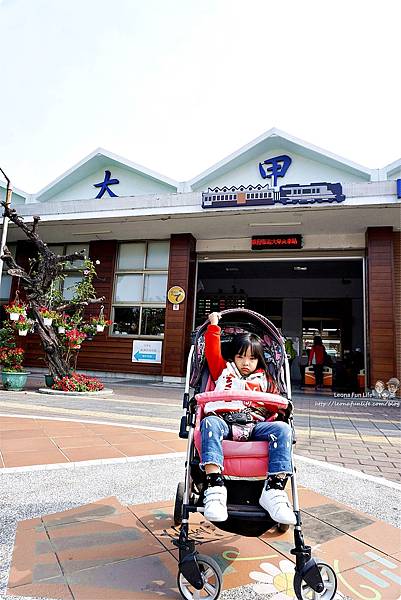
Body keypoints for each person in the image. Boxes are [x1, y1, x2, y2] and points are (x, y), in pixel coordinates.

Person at [200, 312, 296, 525]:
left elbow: (276, 404)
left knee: (283, 430)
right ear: (233, 357)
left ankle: (274, 489)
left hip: (255, 425)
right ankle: (215, 485)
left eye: (252, 358)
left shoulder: (265, 379)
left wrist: (281, 406)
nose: (246, 362)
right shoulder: (222, 370)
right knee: (208, 423)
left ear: (259, 360)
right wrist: (214, 325)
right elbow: (213, 351)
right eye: (241, 356)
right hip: (224, 422)